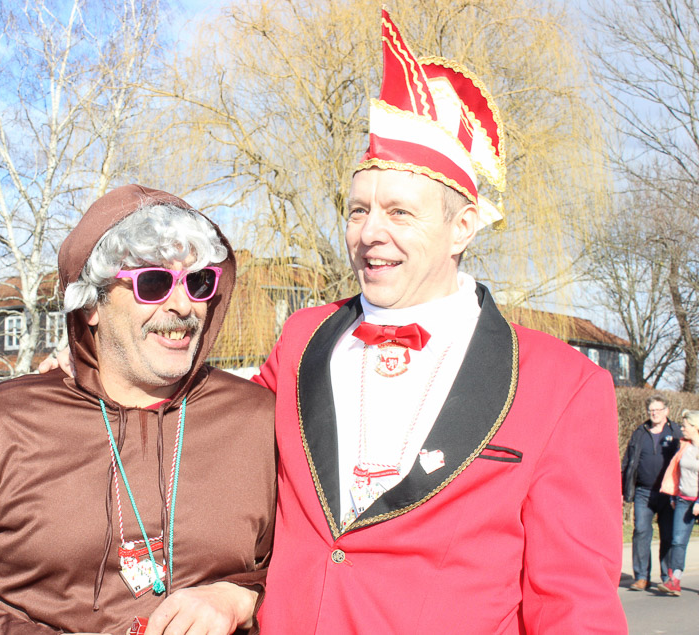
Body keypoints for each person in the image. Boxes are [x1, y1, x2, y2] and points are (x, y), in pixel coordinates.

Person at [251, 10, 626, 632]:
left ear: (462, 227)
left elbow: (575, 604)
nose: (370, 233)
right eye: (358, 210)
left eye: (400, 212)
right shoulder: (299, 339)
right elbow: (226, 469)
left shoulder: (564, 383)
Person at [0, 185, 276, 634]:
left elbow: (319, 565)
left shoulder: (259, 420)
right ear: (92, 304)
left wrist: (242, 597)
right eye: (153, 284)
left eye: (199, 282)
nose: (183, 305)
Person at [622, 395, 681, 591]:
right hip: (643, 492)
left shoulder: (676, 432)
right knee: (641, 532)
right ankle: (641, 577)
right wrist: (623, 489)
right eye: (651, 410)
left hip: (668, 493)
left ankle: (667, 577)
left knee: (668, 534)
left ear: (666, 411)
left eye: (657, 409)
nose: (654, 413)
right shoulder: (640, 432)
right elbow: (628, 462)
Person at [657, 408, 699, 596]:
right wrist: (674, 496)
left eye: (685, 426)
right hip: (683, 499)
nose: (682, 429)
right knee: (678, 541)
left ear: (695, 427)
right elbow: (676, 472)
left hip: (697, 500)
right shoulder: (684, 447)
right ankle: (675, 580)